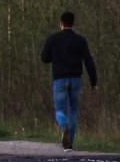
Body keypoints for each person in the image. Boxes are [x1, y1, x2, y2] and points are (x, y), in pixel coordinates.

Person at [40, 11, 98, 151]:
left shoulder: (53, 39)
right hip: (76, 79)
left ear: (61, 23)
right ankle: (69, 143)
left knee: (59, 110)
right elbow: (89, 61)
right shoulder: (80, 40)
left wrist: (56, 55)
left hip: (60, 79)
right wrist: (94, 82)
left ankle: (64, 125)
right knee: (73, 110)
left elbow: (44, 58)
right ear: (73, 24)